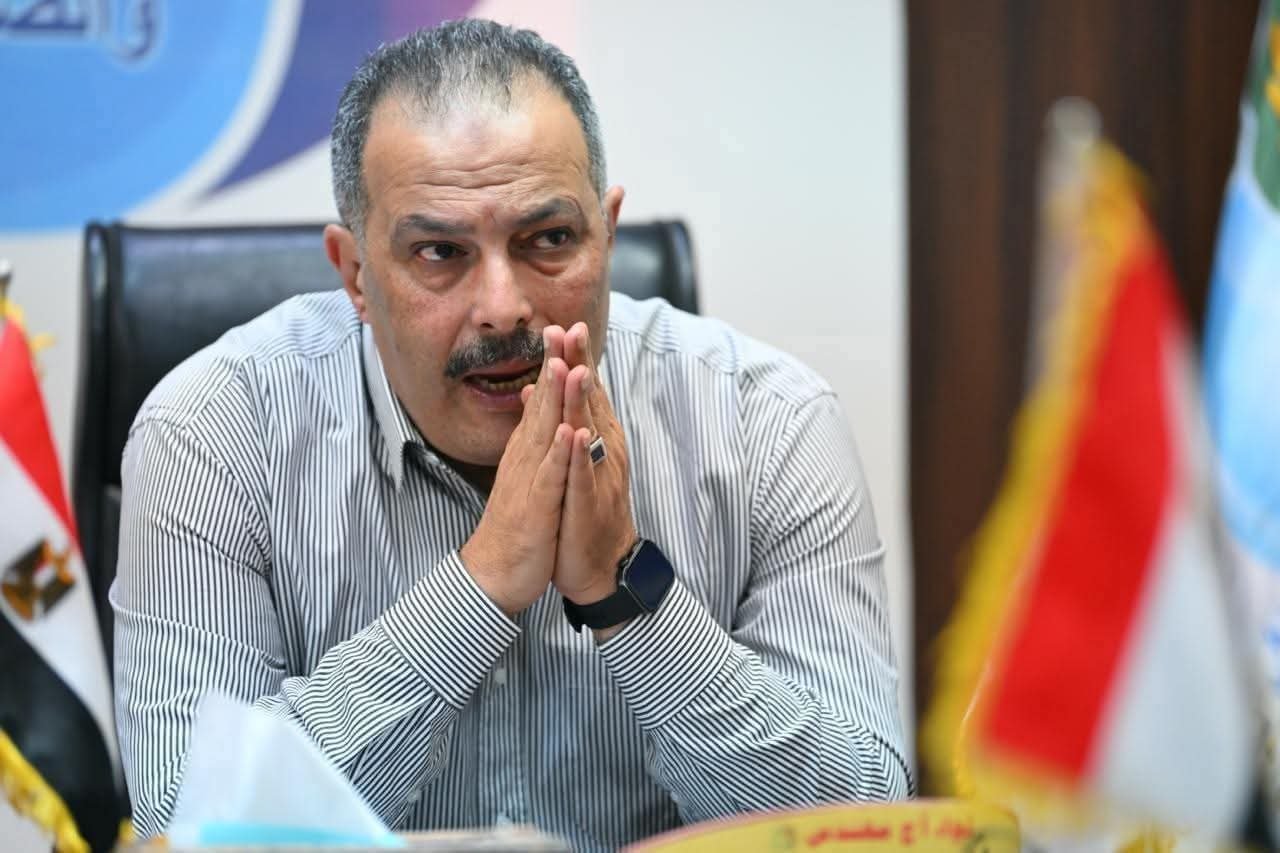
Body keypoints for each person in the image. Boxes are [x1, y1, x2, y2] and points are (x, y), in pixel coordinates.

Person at [111, 18, 911, 850]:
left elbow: (865, 826)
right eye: (439, 252)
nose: (503, 307)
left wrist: (625, 591)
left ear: (607, 235)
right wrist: (481, 584)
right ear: (355, 274)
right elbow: (188, 827)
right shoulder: (211, 433)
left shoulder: (767, 420)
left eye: (549, 240)